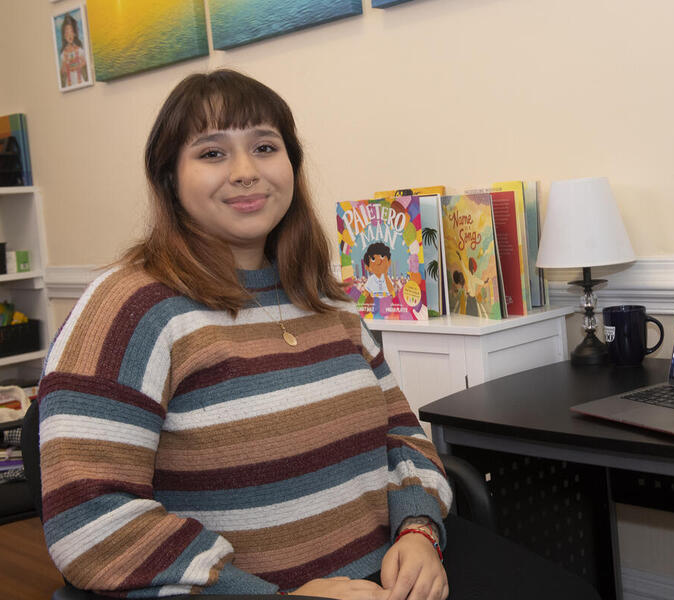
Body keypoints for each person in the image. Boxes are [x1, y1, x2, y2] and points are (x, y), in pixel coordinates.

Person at [37, 69, 601, 600]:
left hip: (386, 573)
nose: (244, 171)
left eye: (265, 147)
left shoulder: (327, 299)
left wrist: (419, 530)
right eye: (212, 153)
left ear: (291, 164)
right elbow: (87, 518)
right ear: (168, 178)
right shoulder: (130, 307)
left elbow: (404, 436)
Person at [59, 14, 88, 88]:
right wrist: (66, 65)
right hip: (69, 82)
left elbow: (84, 62)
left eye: (71, 32)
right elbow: (62, 70)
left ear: (74, 33)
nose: (69, 35)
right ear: (64, 36)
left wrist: (77, 66)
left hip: (79, 80)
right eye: (67, 33)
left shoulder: (79, 49)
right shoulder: (64, 53)